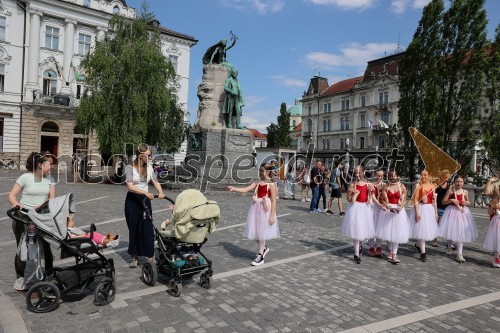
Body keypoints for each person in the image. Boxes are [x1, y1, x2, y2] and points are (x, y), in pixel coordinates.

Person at [8, 152, 56, 290]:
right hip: (22, 217)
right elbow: (12, 195)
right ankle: (21, 278)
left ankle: (49, 274)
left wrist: (40, 207)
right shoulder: (26, 177)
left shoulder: (50, 179)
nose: (52, 167)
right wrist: (16, 203)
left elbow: (52, 198)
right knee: (22, 248)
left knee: (46, 246)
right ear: (40, 165)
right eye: (50, 164)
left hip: (41, 217)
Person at [227, 164, 279, 266]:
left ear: (267, 172)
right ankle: (264, 248)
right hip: (256, 208)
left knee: (261, 232)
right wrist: (234, 188)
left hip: (265, 209)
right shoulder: (257, 183)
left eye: (262, 171)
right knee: (254, 231)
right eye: (259, 171)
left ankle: (260, 255)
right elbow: (246, 189)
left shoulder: (272, 185)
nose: (260, 173)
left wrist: (272, 216)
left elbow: (274, 201)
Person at [125, 144, 165, 268]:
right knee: (134, 229)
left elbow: (155, 181)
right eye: (148, 155)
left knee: (147, 228)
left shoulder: (149, 168)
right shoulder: (130, 168)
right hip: (132, 200)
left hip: (145, 200)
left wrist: (161, 192)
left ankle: (150, 255)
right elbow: (130, 186)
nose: (150, 157)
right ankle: (135, 256)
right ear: (140, 156)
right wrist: (145, 193)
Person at [341, 165, 376, 264]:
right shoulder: (353, 184)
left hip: (365, 208)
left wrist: (372, 191)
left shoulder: (368, 184)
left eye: (359, 172)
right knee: (356, 231)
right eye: (355, 172)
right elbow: (348, 200)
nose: (357, 174)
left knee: (363, 229)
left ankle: (360, 246)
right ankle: (356, 254)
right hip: (355, 209)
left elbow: (372, 198)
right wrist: (349, 192)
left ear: (363, 172)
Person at [438, 175, 478, 263]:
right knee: (451, 229)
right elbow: (443, 202)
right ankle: (449, 247)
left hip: (462, 213)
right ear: (454, 182)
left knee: (461, 232)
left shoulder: (465, 192)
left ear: (463, 182)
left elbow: (468, 202)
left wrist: (465, 202)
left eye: (460, 181)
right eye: (457, 181)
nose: (459, 183)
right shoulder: (450, 191)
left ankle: (460, 254)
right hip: (452, 211)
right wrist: (451, 200)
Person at [376, 170, 410, 263]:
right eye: (390, 176)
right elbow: (381, 199)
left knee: (397, 233)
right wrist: (385, 204)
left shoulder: (402, 186)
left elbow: (404, 201)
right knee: (389, 232)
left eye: (394, 176)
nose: (392, 177)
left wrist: (400, 208)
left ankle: (395, 254)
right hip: (388, 211)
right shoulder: (386, 186)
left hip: (398, 212)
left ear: (398, 176)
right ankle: (390, 252)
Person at [409, 170, 439, 262]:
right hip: (421, 209)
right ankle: (423, 253)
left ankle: (418, 245)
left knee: (426, 230)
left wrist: (436, 213)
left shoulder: (433, 186)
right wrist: (417, 213)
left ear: (429, 176)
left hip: (429, 209)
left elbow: (434, 201)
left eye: (425, 175)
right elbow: (416, 201)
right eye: (422, 175)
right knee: (421, 231)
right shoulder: (418, 186)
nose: (423, 176)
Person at [433, 170, 453, 249]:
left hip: (447, 207)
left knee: (448, 225)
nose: (447, 177)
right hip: (438, 206)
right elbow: (434, 196)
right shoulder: (437, 185)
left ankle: (449, 243)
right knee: (437, 224)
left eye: (448, 176)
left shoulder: (450, 186)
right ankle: (436, 239)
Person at [368, 169, 386, 257]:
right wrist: (380, 205)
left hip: (381, 208)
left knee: (380, 227)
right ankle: (371, 247)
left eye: (382, 176)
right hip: (373, 208)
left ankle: (379, 246)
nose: (380, 178)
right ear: (375, 175)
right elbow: (373, 197)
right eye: (378, 176)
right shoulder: (372, 185)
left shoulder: (385, 185)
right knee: (372, 227)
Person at [483, 180, 500, 267]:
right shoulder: (495, 200)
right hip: (497, 222)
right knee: (497, 240)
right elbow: (489, 213)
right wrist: (493, 206)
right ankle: (496, 258)